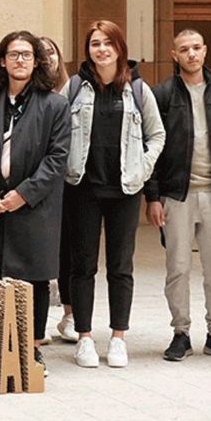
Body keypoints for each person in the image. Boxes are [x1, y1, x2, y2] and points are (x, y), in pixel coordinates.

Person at [63, 20, 165, 368]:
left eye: (108, 43)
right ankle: (85, 337)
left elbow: (157, 135)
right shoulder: (75, 87)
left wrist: (142, 168)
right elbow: (58, 132)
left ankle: (119, 338)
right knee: (83, 265)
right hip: (82, 188)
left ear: (120, 48)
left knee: (121, 266)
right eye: (95, 43)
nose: (101, 49)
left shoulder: (138, 90)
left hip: (124, 190)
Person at [144, 30, 211, 363]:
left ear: (205, 50)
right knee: (178, 268)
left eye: (196, 48)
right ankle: (180, 333)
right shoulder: (162, 94)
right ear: (174, 55)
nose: (191, 54)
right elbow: (153, 147)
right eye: (184, 50)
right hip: (177, 194)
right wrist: (153, 196)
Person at [0, 31, 70, 371]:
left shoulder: (55, 104)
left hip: (35, 206)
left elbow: (57, 159)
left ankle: (31, 349)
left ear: (36, 61)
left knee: (35, 279)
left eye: (26, 55)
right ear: (1, 60)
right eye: (13, 54)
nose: (19, 60)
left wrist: (23, 195)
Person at [38, 33, 74, 337]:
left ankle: (70, 314)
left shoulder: (71, 89)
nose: (47, 57)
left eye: (51, 51)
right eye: (41, 52)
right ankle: (38, 321)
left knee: (68, 251)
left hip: (68, 181)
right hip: (37, 183)